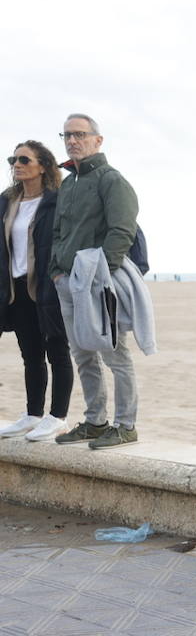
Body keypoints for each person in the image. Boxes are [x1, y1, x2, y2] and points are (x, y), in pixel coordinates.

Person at [48, 114, 142, 449]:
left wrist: (103, 272)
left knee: (115, 354)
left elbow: (122, 230)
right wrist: (56, 269)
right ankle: (94, 421)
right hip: (67, 282)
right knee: (83, 354)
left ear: (97, 140)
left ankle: (126, 425)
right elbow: (60, 232)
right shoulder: (69, 182)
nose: (72, 141)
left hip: (98, 282)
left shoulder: (110, 179)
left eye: (79, 135)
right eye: (67, 135)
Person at [0, 142, 72, 441]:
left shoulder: (57, 201)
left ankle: (58, 417)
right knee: (30, 353)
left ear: (42, 165)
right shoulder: (8, 201)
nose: (16, 164)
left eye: (24, 159)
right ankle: (33, 414)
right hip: (16, 289)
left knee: (57, 351)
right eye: (12, 159)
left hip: (47, 286)